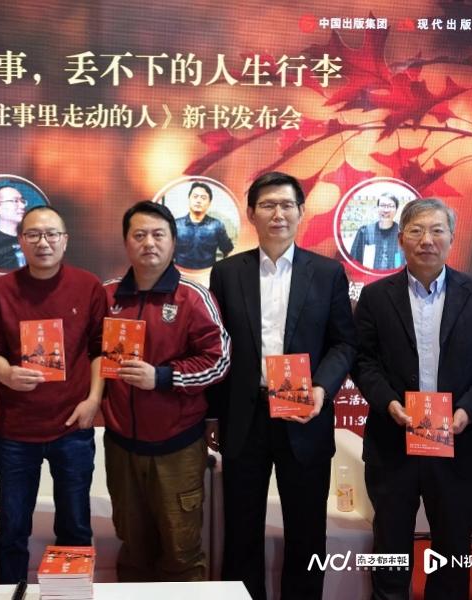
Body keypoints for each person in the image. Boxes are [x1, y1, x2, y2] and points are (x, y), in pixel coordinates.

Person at [207, 171, 357, 600]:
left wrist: (322, 388)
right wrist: (213, 414)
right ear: (251, 213)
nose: (278, 214)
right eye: (268, 205)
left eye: (287, 205)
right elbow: (217, 346)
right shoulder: (226, 273)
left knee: (307, 530)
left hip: (304, 414)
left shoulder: (327, 272)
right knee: (241, 529)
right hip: (245, 415)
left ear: (301, 212)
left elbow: (345, 343)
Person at [353, 198, 472, 600]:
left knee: (452, 550)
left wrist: (466, 412)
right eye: (417, 231)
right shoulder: (375, 297)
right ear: (401, 238)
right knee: (390, 547)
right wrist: (389, 403)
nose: (427, 240)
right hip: (393, 440)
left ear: (451, 238)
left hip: (457, 442)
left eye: (437, 230)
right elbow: (364, 362)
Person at [102, 201, 230, 581]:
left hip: (178, 448)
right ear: (125, 242)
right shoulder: (108, 296)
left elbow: (218, 361)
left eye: (158, 235)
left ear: (174, 242)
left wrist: (162, 377)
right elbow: (89, 356)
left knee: (181, 553)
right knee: (132, 549)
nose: (149, 243)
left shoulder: (193, 296)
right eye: (139, 235)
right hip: (121, 447)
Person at [0, 205, 107, 583]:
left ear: (65, 240)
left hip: (72, 425)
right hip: (16, 430)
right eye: (33, 234)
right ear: (20, 241)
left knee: (75, 527)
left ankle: (69, 592)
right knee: (11, 529)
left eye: (52, 234)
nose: (43, 242)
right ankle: (12, 592)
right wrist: (5, 373)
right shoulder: (1, 290)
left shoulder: (88, 286)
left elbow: (100, 350)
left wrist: (93, 401)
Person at [173, 182, 234, 269]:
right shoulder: (176, 225)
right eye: (195, 196)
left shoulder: (217, 225)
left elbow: (228, 251)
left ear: (209, 202)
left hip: (207, 275)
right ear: (189, 199)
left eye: (203, 198)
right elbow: (166, 253)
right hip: (180, 274)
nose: (198, 201)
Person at [349, 192, 405, 270]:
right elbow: (354, 262)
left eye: (390, 206)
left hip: (396, 276)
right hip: (369, 276)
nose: (386, 210)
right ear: (377, 208)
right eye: (382, 205)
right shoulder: (365, 232)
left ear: (396, 210)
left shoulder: (403, 234)